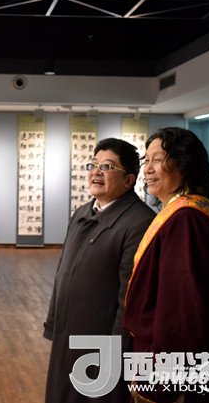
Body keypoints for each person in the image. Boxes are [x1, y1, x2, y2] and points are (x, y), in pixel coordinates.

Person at [122, 127, 209, 403]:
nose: (148, 169)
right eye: (147, 160)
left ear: (183, 163)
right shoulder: (189, 212)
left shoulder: (186, 220)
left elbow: (181, 313)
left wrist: (157, 385)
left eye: (158, 159)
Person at [43, 138, 156, 403]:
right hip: (67, 333)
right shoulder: (82, 212)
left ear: (129, 180)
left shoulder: (139, 222)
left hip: (99, 344)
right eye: (93, 165)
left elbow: (130, 299)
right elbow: (62, 273)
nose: (96, 172)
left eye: (107, 167)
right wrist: (53, 323)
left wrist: (115, 354)